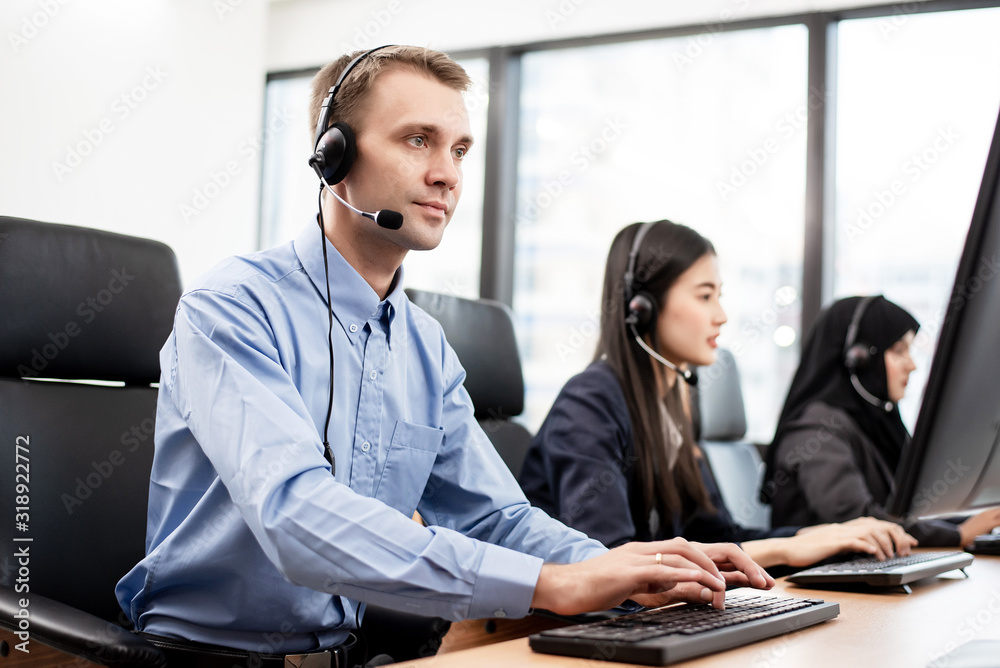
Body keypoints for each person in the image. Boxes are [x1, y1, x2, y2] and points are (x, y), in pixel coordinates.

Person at [115, 47, 773, 666]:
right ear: (332, 155)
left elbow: (493, 517)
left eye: (459, 149)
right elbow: (295, 514)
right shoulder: (230, 307)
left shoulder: (425, 345)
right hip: (202, 659)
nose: (448, 174)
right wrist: (554, 585)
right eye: (417, 140)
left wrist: (625, 571)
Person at [519, 220, 916, 570]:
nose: (721, 315)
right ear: (643, 309)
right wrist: (787, 548)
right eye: (705, 296)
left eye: (719, 296)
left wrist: (826, 536)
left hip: (647, 620)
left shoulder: (674, 409)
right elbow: (612, 561)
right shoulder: (589, 403)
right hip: (555, 638)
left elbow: (720, 537)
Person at [761, 295, 1000, 547]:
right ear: (858, 358)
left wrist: (973, 522)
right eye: (899, 351)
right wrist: (958, 535)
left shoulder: (876, 423)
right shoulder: (815, 429)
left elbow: (902, 514)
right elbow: (857, 520)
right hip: (810, 582)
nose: (912, 365)